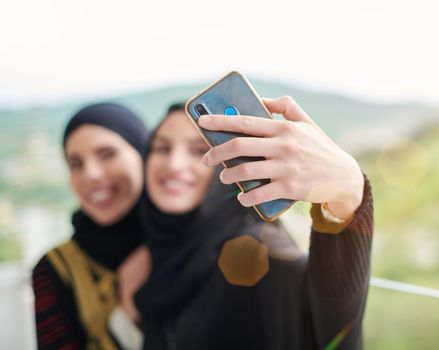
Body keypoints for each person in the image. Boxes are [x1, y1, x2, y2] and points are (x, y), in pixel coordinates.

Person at [132, 97, 373, 350]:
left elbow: (332, 327)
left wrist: (347, 195)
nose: (174, 165)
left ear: (233, 162)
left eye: (200, 152)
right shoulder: (155, 253)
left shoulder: (261, 254)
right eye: (161, 148)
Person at [31, 103, 149, 349]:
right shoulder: (54, 269)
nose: (91, 174)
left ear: (143, 155)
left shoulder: (188, 241)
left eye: (107, 154)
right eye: (75, 163)